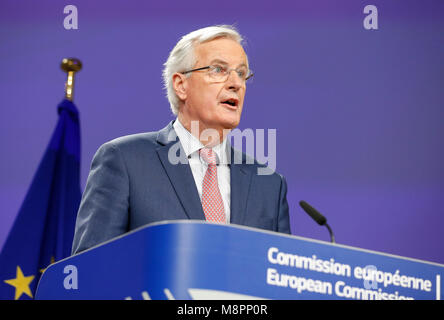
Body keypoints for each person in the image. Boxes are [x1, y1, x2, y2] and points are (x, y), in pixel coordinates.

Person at [71, 25, 290, 254]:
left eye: (242, 73)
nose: (236, 83)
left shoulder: (269, 185)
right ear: (181, 85)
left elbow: (280, 279)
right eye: (218, 69)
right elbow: (91, 269)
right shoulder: (125, 161)